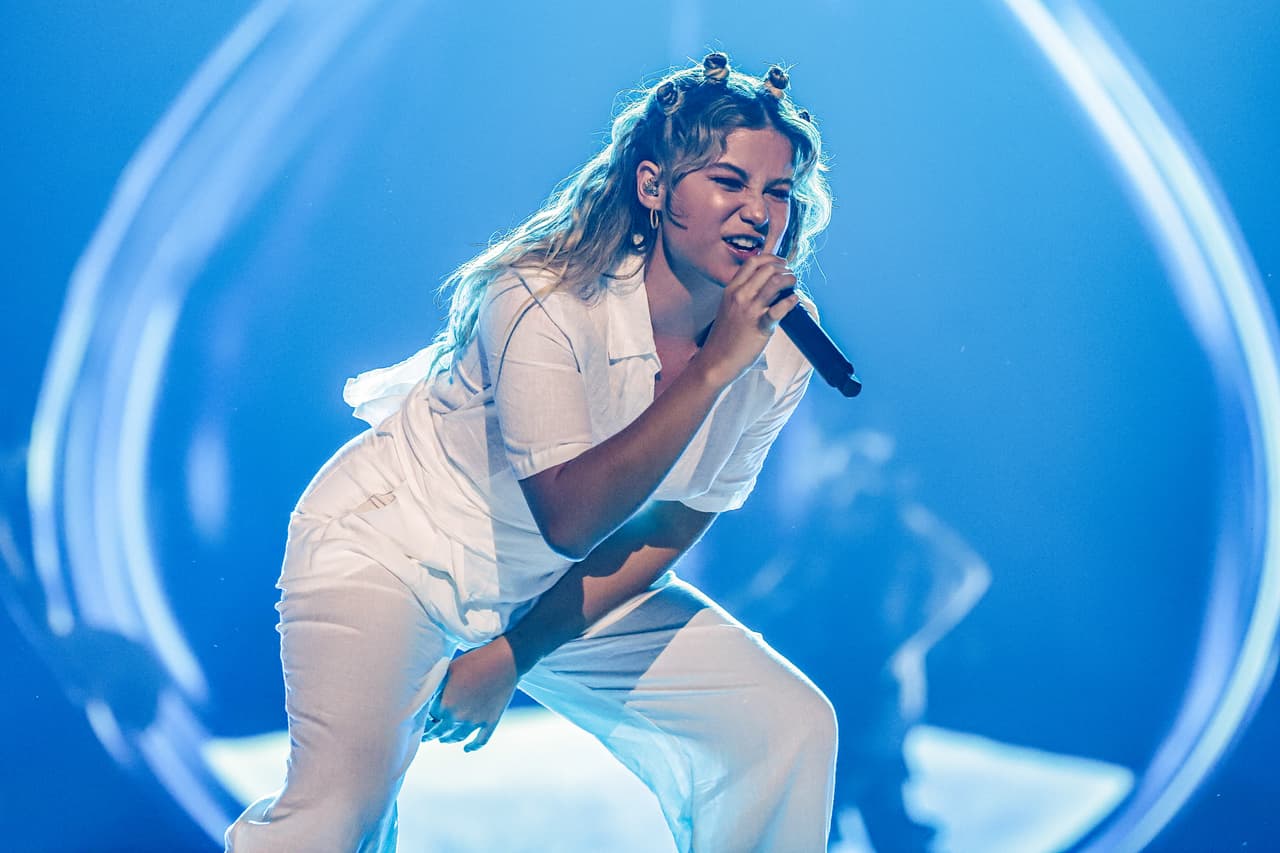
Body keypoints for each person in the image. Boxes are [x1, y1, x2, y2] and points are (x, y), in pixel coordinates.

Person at [225, 51, 838, 852]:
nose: (758, 212)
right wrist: (714, 368)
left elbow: (669, 526)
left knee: (786, 726)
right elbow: (570, 516)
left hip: (552, 587)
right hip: (394, 545)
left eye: (779, 192)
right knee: (337, 815)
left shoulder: (778, 351)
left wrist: (515, 652)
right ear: (654, 186)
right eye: (729, 181)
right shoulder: (541, 296)